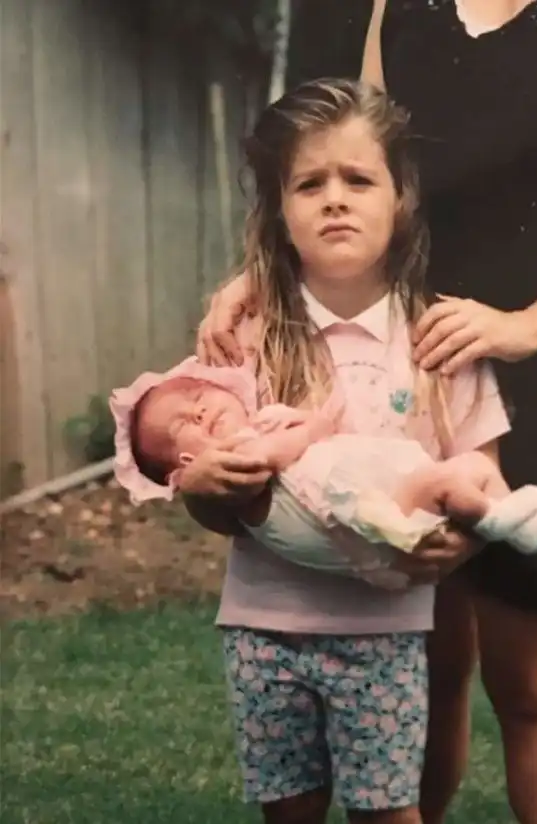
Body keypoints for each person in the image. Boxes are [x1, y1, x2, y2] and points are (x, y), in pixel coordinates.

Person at [195, 3, 537, 823]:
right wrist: (269, 273)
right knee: (423, 664)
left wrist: (531, 325)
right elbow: (360, 156)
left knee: (534, 681)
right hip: (413, 363)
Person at [169, 77, 517, 824]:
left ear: (402, 199)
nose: (335, 199)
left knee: (388, 815)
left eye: (358, 180)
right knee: (290, 813)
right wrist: (200, 485)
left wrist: (461, 540)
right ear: (279, 209)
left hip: (385, 634)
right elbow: (214, 505)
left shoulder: (439, 340)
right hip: (263, 628)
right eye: (309, 184)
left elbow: (484, 475)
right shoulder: (243, 341)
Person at [109, 359, 537, 585]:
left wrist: (304, 424)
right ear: (187, 466)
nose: (198, 412)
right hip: (377, 525)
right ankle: (492, 521)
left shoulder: (266, 419)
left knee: (472, 466)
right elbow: (276, 455)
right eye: (182, 427)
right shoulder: (238, 463)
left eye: (198, 397)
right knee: (443, 483)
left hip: (382, 505)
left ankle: (522, 529)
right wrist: (305, 430)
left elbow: (315, 428)